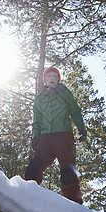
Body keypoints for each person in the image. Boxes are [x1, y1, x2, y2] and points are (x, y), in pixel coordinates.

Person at [25, 66, 87, 204]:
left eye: (55, 76)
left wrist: (81, 126)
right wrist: (36, 137)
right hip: (45, 137)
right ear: (45, 80)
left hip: (63, 135)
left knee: (67, 169)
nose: (52, 78)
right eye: (49, 76)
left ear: (58, 79)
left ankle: (74, 204)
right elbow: (38, 120)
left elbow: (75, 110)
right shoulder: (40, 98)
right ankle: (27, 194)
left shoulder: (64, 92)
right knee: (35, 165)